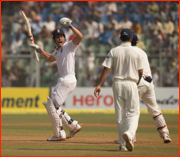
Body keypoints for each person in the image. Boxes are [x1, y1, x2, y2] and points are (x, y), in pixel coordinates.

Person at [29, 17, 83, 141]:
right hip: (67, 80)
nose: (60, 38)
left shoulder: (69, 46)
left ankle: (59, 134)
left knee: (52, 106)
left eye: (61, 36)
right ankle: (73, 125)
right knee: (55, 106)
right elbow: (50, 58)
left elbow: (80, 36)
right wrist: (39, 50)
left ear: (64, 38)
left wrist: (70, 26)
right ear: (54, 40)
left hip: (67, 79)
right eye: (57, 37)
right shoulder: (57, 51)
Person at [114, 33, 172, 145]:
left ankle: (130, 136)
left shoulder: (129, 51)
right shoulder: (142, 51)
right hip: (149, 82)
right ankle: (165, 134)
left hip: (139, 82)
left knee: (128, 109)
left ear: (129, 40)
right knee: (154, 109)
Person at [94, 29, 143, 151]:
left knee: (120, 115)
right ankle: (130, 135)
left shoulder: (113, 51)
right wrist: (137, 82)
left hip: (118, 84)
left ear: (120, 38)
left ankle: (122, 145)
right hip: (131, 83)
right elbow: (141, 71)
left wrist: (99, 84)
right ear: (131, 39)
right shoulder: (137, 52)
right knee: (133, 112)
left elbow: (106, 69)